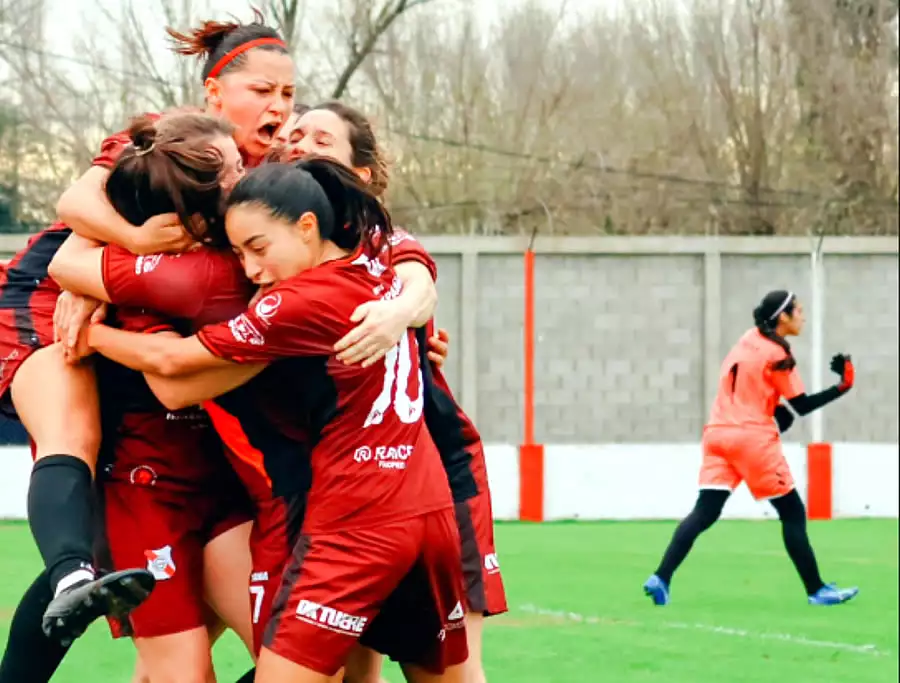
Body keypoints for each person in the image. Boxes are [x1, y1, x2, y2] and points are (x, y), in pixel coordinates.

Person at [81, 159, 470, 683]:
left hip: (358, 522)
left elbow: (173, 370)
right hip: (430, 511)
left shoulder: (297, 301)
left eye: (259, 248)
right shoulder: (379, 267)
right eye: (239, 254)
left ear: (307, 225)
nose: (251, 270)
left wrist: (89, 336)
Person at [0, 12, 296, 680]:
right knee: (71, 431)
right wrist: (121, 253)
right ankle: (72, 572)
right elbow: (77, 206)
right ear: (214, 92)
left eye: (289, 93)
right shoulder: (178, 139)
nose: (280, 106)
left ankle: (83, 583)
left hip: (140, 345)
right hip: (44, 301)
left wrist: (405, 315)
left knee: (194, 633)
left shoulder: (275, 175)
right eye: (263, 91)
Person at [289, 101, 507, 683]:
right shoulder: (278, 247)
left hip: (435, 472)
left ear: (360, 174)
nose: (301, 143)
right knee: (351, 668)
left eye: (322, 139)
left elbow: (419, 286)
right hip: (348, 490)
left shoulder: (382, 240)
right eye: (295, 134)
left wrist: (400, 315)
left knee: (457, 672)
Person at [643, 290, 860, 607]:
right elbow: (802, 405)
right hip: (752, 439)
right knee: (792, 513)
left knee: (705, 511)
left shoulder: (749, 338)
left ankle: (661, 576)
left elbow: (749, 382)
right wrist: (842, 386)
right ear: (782, 317)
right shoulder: (779, 355)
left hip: (717, 433)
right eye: (798, 310)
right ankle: (817, 590)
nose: (803, 315)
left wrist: (772, 407)